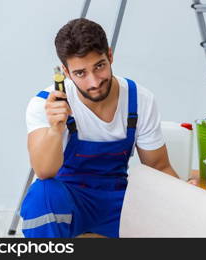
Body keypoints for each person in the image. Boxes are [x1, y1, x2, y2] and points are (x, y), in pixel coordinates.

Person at [20, 18, 195, 238]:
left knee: (175, 222)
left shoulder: (140, 99)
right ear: (65, 72)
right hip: (70, 202)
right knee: (42, 194)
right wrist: (56, 129)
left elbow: (159, 167)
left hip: (117, 202)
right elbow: (44, 172)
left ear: (110, 56)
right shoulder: (45, 104)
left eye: (99, 66)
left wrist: (188, 201)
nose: (93, 82)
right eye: (80, 73)